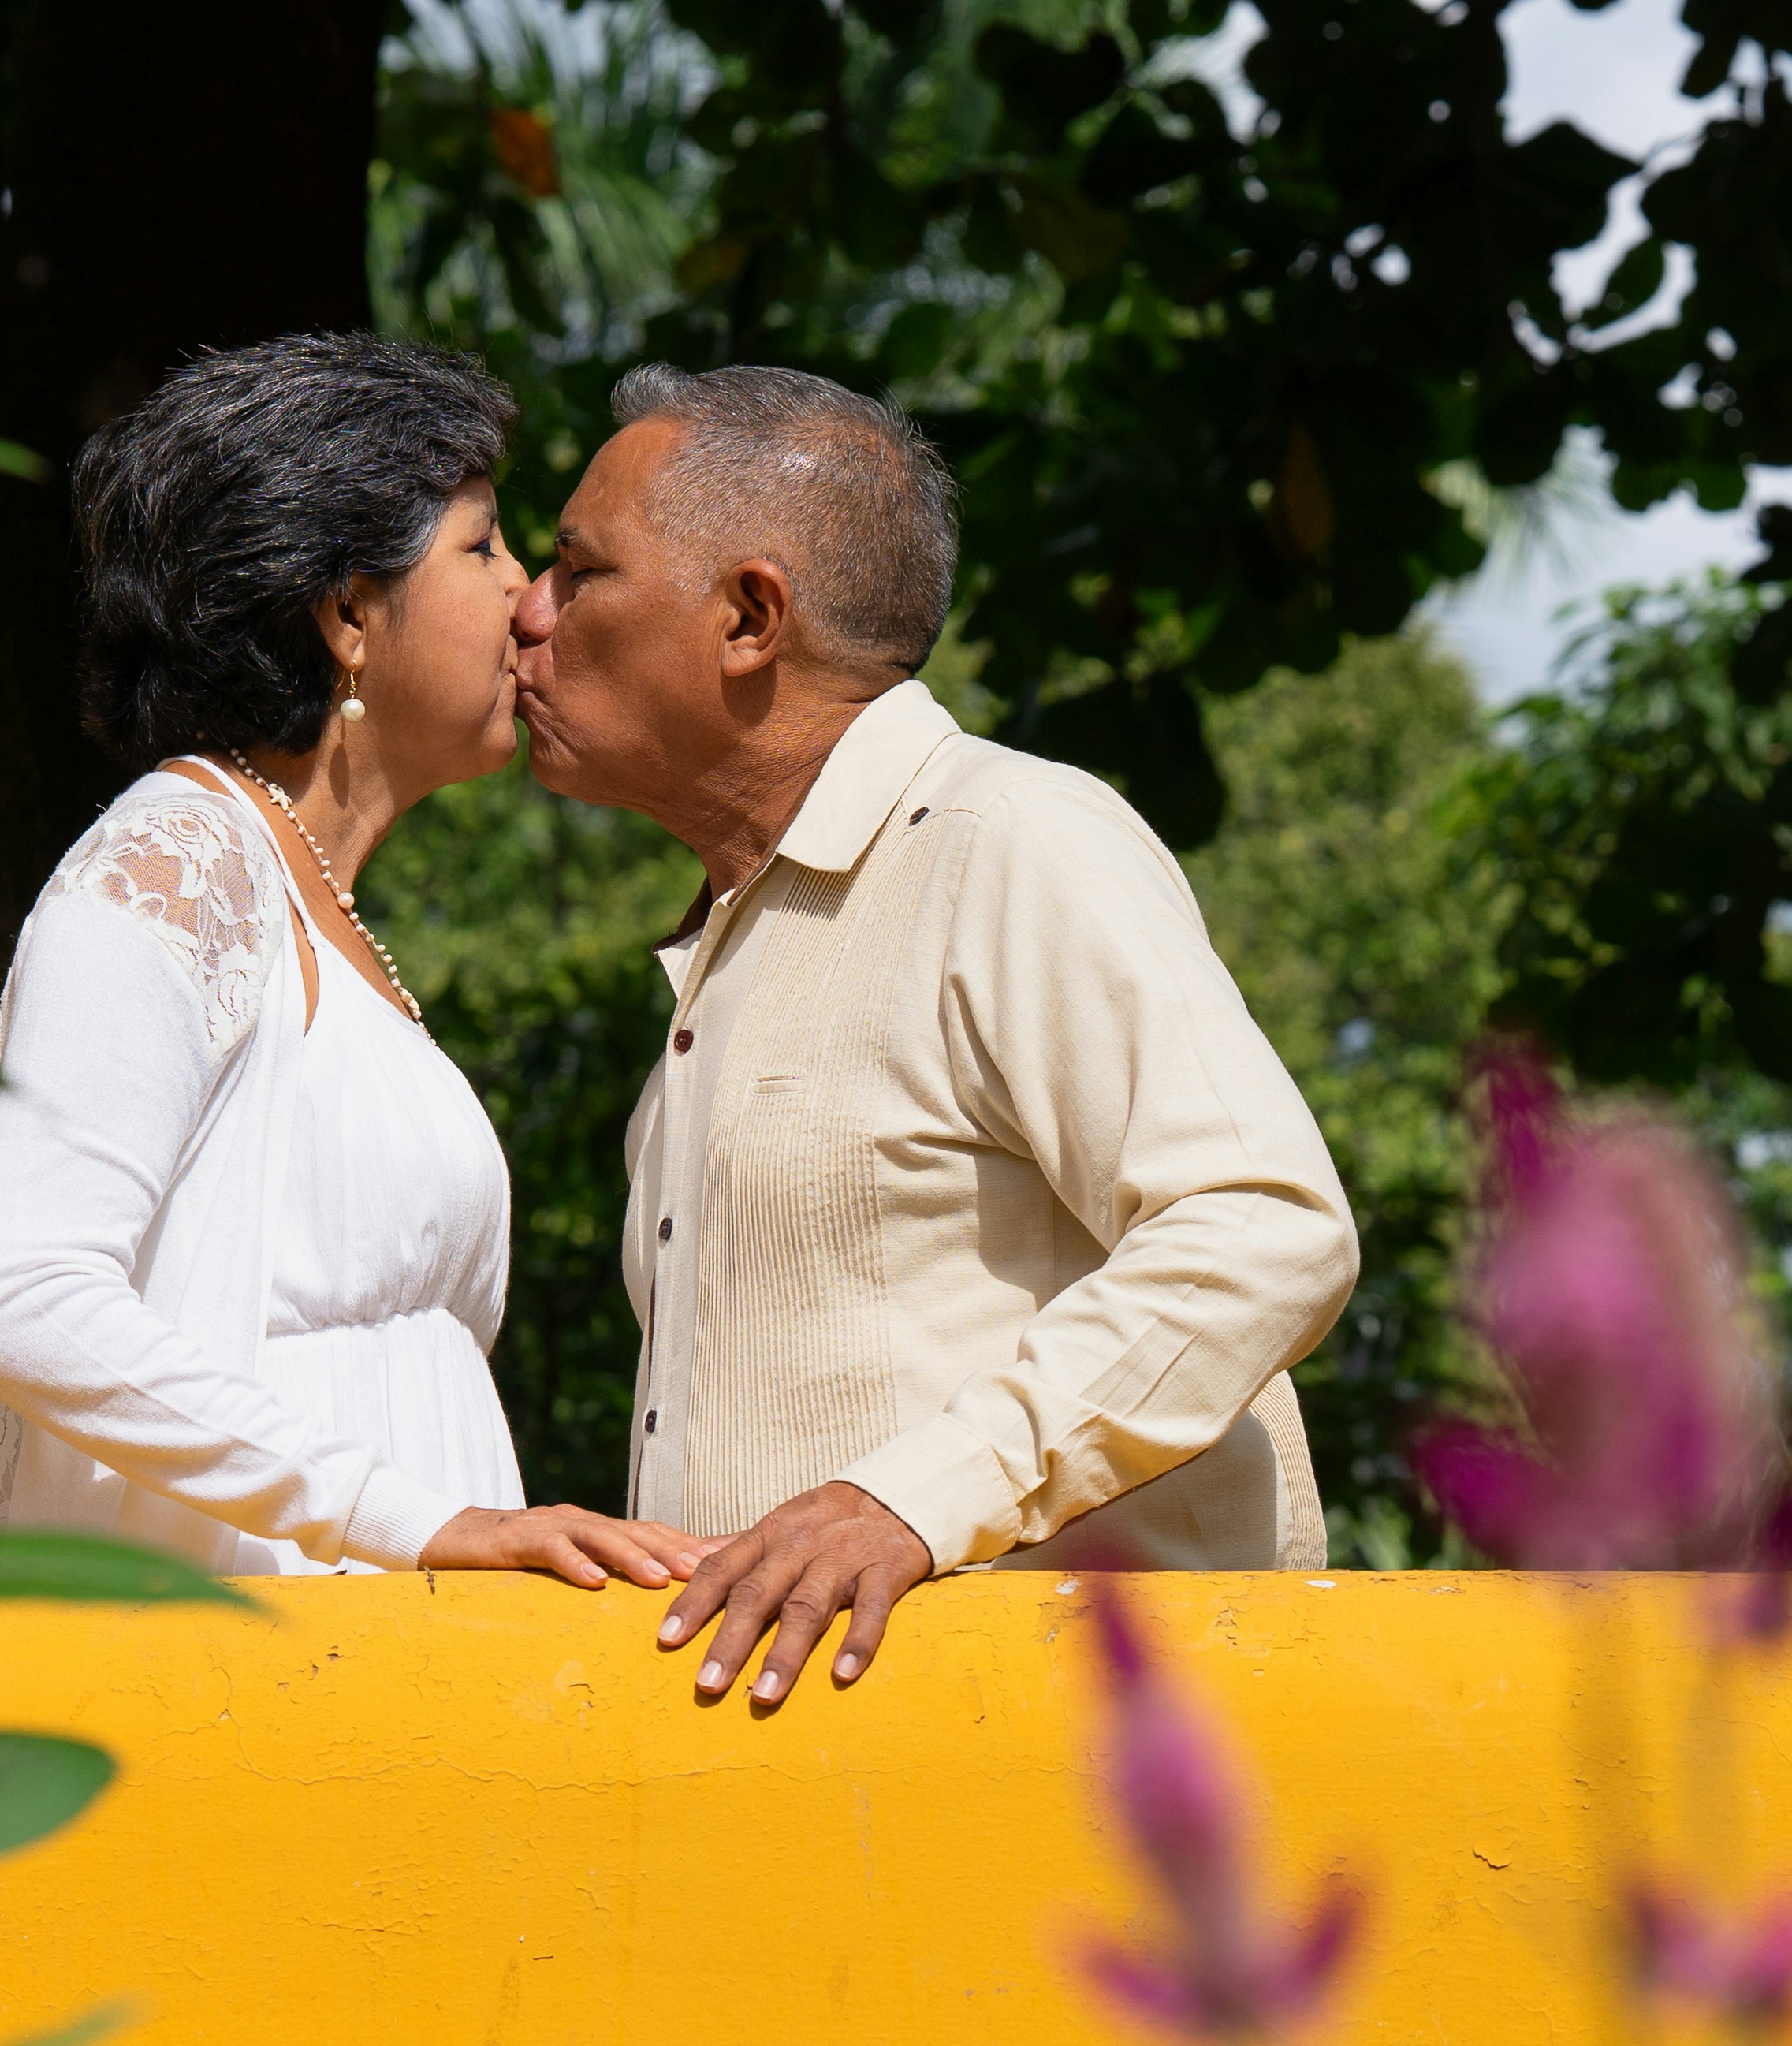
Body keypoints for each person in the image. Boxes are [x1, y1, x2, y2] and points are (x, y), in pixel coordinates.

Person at [508, 364, 1359, 1705]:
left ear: (748, 617)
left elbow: (1264, 1225)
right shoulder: (739, 940)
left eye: (577, 569)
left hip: (1092, 1797)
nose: (526, 611)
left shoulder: (1008, 839)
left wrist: (908, 1500)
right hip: (838, 1823)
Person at [0, 334, 709, 1593]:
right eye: (484, 544)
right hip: (243, 1665)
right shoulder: (171, 863)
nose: (527, 597)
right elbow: (19, 1297)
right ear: (350, 613)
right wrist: (398, 1515)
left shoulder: (306, 898)